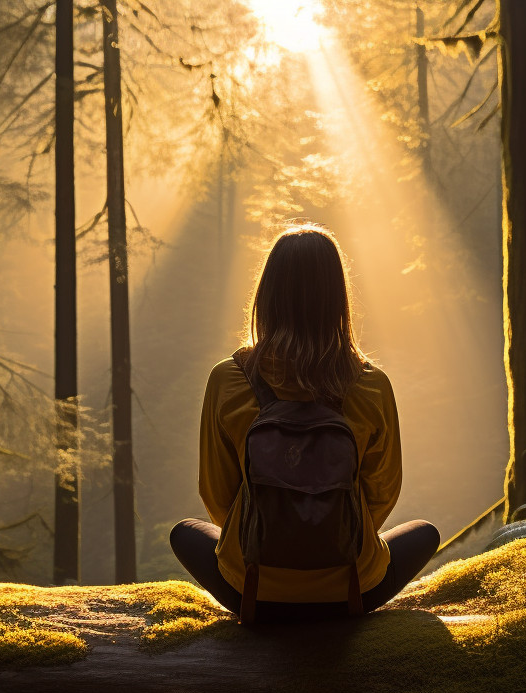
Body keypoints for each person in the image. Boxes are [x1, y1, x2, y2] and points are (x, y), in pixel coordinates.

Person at [170, 224, 439, 623]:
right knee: (425, 532)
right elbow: (381, 494)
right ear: (337, 299)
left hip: (253, 590)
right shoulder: (371, 384)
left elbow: (217, 495)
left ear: (267, 295)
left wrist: (272, 537)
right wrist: (328, 538)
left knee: (185, 531)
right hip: (350, 590)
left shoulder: (227, 378)